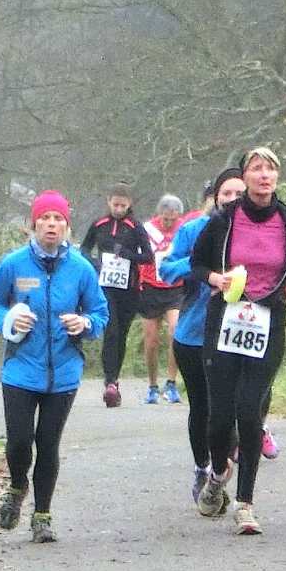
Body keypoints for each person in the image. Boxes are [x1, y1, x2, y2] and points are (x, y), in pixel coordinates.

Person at [189, 147, 286, 535]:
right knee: (220, 417)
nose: (264, 175)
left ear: (277, 178)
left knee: (250, 412)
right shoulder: (224, 220)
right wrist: (215, 279)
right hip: (226, 318)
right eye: (257, 168)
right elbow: (197, 264)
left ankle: (245, 504)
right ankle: (217, 473)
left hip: (267, 321)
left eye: (270, 169)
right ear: (245, 177)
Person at [0, 191, 109, 542]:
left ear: (67, 226)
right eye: (45, 218)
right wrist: (7, 320)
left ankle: (42, 516)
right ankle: (17, 485)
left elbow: (100, 313)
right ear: (33, 224)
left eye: (58, 219)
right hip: (20, 369)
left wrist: (85, 323)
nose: (51, 225)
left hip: (64, 372)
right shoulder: (14, 264)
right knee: (20, 443)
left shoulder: (81, 268)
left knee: (48, 444)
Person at [159, 170, 245, 505]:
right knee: (202, 405)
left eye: (240, 194)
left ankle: (226, 460)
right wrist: (203, 270)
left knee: (235, 405)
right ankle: (202, 468)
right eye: (227, 194)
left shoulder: (258, 231)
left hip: (238, 332)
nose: (233, 200)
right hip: (195, 333)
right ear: (214, 197)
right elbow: (167, 269)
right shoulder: (193, 230)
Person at [80, 183, 154, 406]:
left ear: (129, 204)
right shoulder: (99, 224)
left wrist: (128, 255)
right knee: (110, 331)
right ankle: (109, 381)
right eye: (115, 205)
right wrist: (95, 263)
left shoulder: (135, 227)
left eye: (123, 205)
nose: (119, 209)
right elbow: (84, 249)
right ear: (109, 202)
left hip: (129, 289)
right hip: (105, 287)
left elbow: (148, 257)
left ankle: (115, 379)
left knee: (121, 334)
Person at [139, 194, 185, 404]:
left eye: (172, 219)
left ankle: (171, 383)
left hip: (175, 288)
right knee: (151, 341)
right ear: (159, 214)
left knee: (175, 331)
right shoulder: (147, 229)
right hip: (150, 288)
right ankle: (152, 386)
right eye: (166, 219)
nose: (168, 223)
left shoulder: (183, 230)